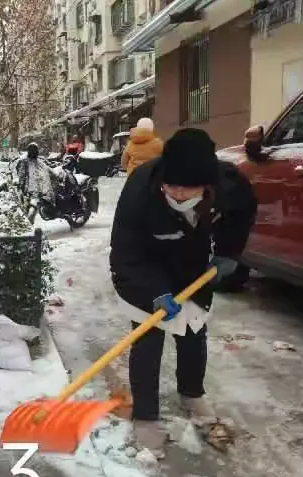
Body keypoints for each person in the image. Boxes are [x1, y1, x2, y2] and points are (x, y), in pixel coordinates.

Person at [109, 128, 257, 456]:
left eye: (186, 187)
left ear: (207, 184)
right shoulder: (140, 190)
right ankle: (146, 415)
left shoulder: (230, 185)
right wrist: (154, 292)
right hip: (144, 269)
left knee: (193, 332)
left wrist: (228, 253)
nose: (176, 193)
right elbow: (125, 253)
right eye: (171, 185)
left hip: (192, 266)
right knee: (147, 339)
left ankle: (192, 394)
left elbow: (241, 215)